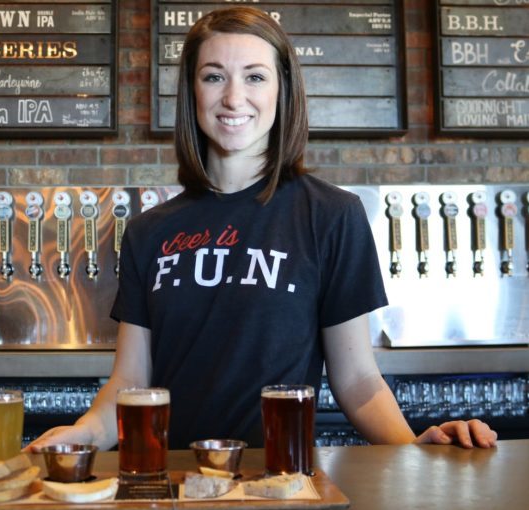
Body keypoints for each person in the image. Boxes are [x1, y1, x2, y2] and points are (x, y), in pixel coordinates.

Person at [28, 6, 497, 452]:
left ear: (281, 90)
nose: (234, 98)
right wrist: (83, 433)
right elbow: (130, 382)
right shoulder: (148, 232)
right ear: (192, 92)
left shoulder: (332, 216)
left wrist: (412, 448)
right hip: (176, 482)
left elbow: (357, 380)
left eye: (255, 77)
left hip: (281, 479)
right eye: (214, 76)